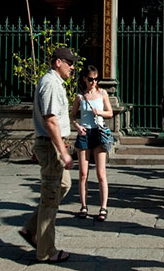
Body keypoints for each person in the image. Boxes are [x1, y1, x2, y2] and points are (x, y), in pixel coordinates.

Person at [19, 47, 77, 264]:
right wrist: (63, 151)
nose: (72, 67)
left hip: (54, 144)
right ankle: (46, 251)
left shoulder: (54, 83)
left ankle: (31, 229)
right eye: (69, 63)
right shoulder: (50, 84)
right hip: (51, 146)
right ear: (57, 62)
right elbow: (51, 120)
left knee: (63, 185)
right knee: (51, 195)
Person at [70, 64, 113, 221]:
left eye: (96, 79)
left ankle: (103, 207)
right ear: (84, 79)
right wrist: (77, 126)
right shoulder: (80, 96)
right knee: (83, 174)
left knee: (101, 173)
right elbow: (72, 116)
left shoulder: (102, 93)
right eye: (90, 79)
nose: (93, 82)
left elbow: (110, 112)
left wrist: (99, 112)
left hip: (98, 133)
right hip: (84, 133)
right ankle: (83, 205)